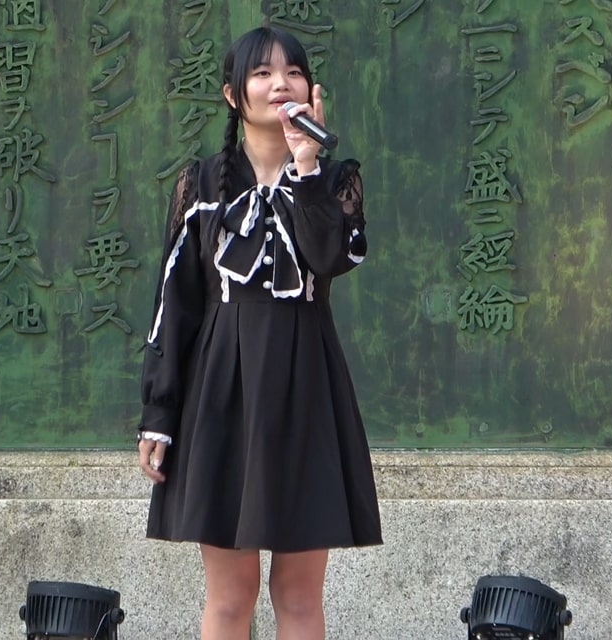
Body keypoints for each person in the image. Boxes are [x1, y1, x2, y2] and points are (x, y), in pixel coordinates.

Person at [137, 25, 382, 640]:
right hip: (222, 388)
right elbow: (175, 304)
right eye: (263, 73)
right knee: (230, 595)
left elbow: (331, 258)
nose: (281, 84)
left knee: (297, 595)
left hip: (306, 385)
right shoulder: (200, 185)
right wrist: (159, 414)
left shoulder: (336, 180)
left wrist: (306, 164)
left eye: (294, 72)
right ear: (233, 94)